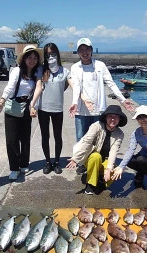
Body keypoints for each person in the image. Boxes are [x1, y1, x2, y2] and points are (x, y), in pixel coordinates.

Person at [68, 37, 135, 174]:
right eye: (81, 49)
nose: (84, 52)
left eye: (87, 49)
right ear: (78, 52)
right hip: (81, 110)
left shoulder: (100, 65)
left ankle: (96, 162)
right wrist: (75, 102)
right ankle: (82, 162)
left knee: (99, 138)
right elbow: (76, 87)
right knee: (81, 138)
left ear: (91, 50)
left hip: (99, 111)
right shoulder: (75, 67)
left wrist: (122, 100)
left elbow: (111, 83)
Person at [0, 45, 43, 181]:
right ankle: (14, 168)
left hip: (27, 106)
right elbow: (10, 86)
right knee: (11, 140)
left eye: (35, 58)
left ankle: (24, 163)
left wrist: (34, 106)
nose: (32, 60)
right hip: (13, 106)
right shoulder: (16, 70)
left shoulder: (37, 72)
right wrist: (2, 100)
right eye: (29, 57)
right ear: (24, 58)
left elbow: (39, 88)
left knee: (25, 137)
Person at [29, 43, 72, 175]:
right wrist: (33, 105)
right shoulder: (41, 70)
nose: (50, 57)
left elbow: (67, 86)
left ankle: (57, 162)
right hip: (43, 109)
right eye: (47, 54)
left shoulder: (64, 71)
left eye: (53, 54)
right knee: (45, 136)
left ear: (57, 54)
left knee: (58, 136)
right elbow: (37, 87)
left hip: (57, 109)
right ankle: (48, 162)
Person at [66, 105, 127, 195]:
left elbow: (114, 151)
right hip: (91, 156)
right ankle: (90, 184)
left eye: (116, 117)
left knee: (113, 171)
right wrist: (76, 158)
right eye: (110, 116)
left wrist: (109, 168)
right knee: (96, 156)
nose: (113, 119)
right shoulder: (96, 126)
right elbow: (86, 142)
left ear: (119, 119)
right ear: (106, 117)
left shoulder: (120, 134)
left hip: (105, 158)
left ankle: (100, 180)